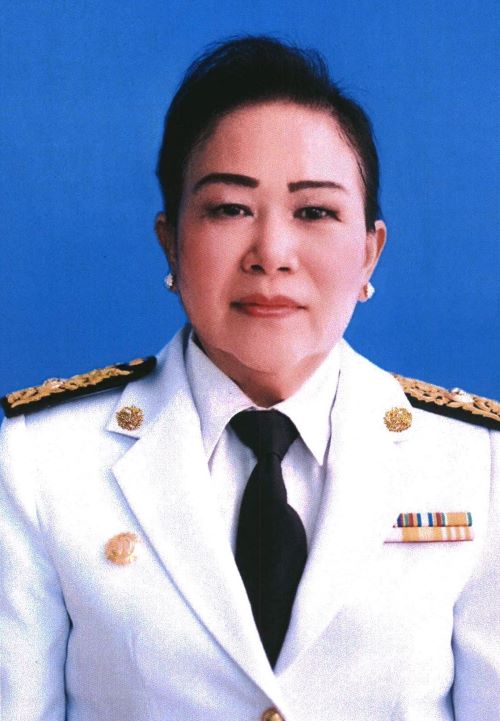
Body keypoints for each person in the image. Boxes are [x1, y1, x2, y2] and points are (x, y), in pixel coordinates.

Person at [1, 36, 499, 721]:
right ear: (171, 242)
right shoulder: (39, 461)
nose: (271, 253)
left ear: (369, 253)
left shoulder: (478, 464)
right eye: (229, 209)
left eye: (315, 211)